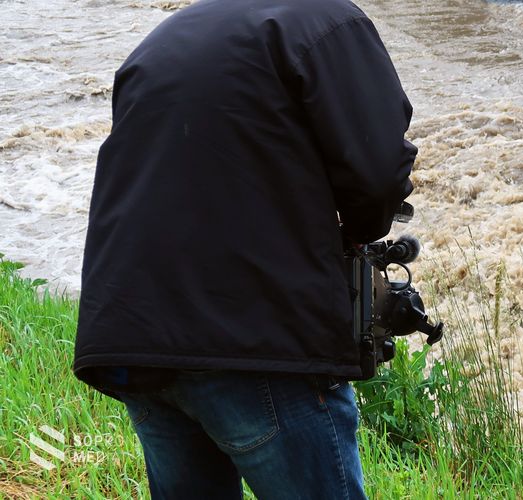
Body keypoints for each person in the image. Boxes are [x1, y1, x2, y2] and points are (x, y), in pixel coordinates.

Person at [72, 0, 417, 497]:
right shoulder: (328, 20)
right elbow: (379, 168)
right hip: (257, 340)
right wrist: (363, 231)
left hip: (134, 339)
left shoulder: (162, 39)